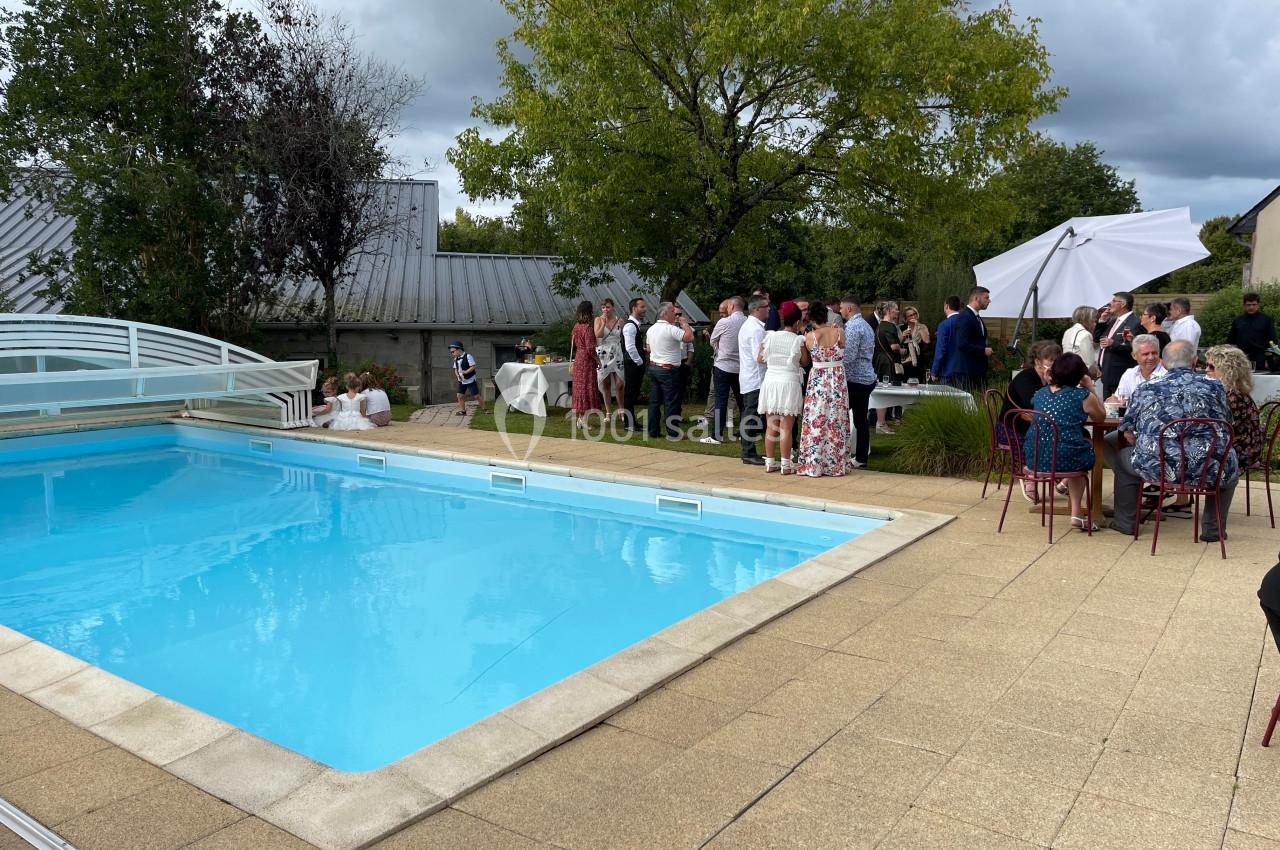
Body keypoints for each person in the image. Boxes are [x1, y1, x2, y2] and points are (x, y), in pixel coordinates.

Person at [1103, 340, 1238, 542]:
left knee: (1123, 457)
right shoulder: (1216, 387)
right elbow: (1227, 422)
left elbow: (1127, 430)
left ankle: (1126, 523)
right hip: (1209, 466)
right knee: (1228, 464)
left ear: (1163, 362)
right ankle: (1213, 529)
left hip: (1158, 467)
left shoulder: (1146, 388)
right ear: (1194, 361)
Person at [1023, 353, 1105, 530]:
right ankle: (1076, 513)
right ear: (1080, 375)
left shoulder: (1040, 393)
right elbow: (1101, 417)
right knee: (1081, 455)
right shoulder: (1083, 396)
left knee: (1076, 448)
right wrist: (1091, 387)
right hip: (1065, 458)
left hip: (1034, 458)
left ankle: (1070, 498)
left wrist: (1048, 381)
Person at [757, 302, 810, 474]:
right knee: (786, 427)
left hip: (771, 381)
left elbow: (760, 358)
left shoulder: (770, 336)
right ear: (797, 322)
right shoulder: (798, 340)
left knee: (771, 425)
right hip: (789, 382)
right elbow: (805, 362)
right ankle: (786, 464)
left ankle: (770, 462)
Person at [797, 303, 849, 477]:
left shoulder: (809, 337)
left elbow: (805, 361)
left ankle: (815, 463)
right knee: (836, 419)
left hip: (818, 380)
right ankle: (835, 464)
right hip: (837, 379)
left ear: (811, 318)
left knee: (816, 419)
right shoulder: (840, 332)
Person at [646, 301, 693, 439]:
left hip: (654, 367)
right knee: (671, 402)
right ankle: (673, 432)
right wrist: (685, 324)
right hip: (668, 369)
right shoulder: (671, 329)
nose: (676, 315)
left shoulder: (651, 329)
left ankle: (653, 431)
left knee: (654, 402)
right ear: (665, 314)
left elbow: (648, 348)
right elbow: (689, 337)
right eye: (673, 312)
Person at [704, 295, 746, 445]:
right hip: (741, 367)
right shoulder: (748, 322)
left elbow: (713, 340)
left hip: (723, 365)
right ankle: (744, 433)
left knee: (720, 400)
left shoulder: (724, 322)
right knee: (742, 402)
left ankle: (716, 435)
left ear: (732, 306)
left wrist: (721, 348)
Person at [841, 294, 875, 469]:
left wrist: (832, 360)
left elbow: (849, 356)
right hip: (866, 377)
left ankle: (841, 454)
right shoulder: (866, 325)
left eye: (841, 308)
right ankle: (861, 457)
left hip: (855, 379)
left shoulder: (853, 327)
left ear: (849, 309)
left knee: (842, 417)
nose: (840, 311)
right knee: (861, 419)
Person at [737, 294, 770, 464]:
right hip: (755, 378)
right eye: (766, 307)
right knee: (751, 415)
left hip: (750, 376)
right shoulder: (756, 329)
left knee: (749, 414)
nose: (769, 309)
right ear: (757, 309)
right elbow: (760, 357)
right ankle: (748, 452)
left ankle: (748, 450)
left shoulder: (749, 325)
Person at [1094, 291, 1143, 399]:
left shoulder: (1135, 323)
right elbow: (1097, 338)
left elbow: (1136, 348)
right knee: (1108, 406)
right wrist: (1102, 320)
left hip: (1119, 375)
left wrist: (1113, 344)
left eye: (1114, 301)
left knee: (1118, 406)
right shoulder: (1113, 321)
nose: (1110, 303)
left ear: (1123, 304)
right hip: (1106, 373)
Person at [1107, 334, 1167, 409]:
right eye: (1146, 354)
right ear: (1134, 355)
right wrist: (1113, 403)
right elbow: (1118, 401)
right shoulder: (1129, 374)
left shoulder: (1167, 374)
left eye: (1154, 353)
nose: (1151, 357)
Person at [951, 286, 993, 389]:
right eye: (986, 298)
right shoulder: (965, 316)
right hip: (966, 373)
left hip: (976, 371)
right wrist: (983, 350)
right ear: (976, 298)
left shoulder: (975, 316)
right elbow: (962, 344)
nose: (989, 301)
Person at [569, 301, 604, 426]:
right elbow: (590, 348)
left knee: (580, 388)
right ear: (589, 312)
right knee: (587, 388)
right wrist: (598, 360)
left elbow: (573, 343)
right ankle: (583, 420)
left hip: (578, 358)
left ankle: (580, 419)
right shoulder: (588, 328)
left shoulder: (576, 327)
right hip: (586, 361)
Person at [872, 300, 902, 434]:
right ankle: (881, 423)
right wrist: (903, 350)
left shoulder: (880, 325)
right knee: (885, 391)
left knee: (882, 389)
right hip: (887, 362)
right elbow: (894, 347)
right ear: (889, 311)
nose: (898, 311)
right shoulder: (890, 326)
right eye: (896, 309)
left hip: (879, 360)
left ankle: (881, 422)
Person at [1229, 292, 1279, 371]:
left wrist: (1269, 359)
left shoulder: (1266, 320)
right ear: (1244, 305)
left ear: (1258, 305)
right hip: (1242, 359)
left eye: (1254, 304)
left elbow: (1273, 341)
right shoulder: (1237, 321)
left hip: (1261, 359)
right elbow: (1231, 342)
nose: (1251, 307)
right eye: (1248, 305)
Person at [594, 298, 625, 418]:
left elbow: (623, 336)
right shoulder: (598, 319)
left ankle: (621, 410)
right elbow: (598, 335)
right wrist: (603, 324)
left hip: (617, 352)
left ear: (613, 307)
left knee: (620, 384)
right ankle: (608, 412)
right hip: (603, 353)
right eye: (603, 307)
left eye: (607, 307)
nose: (605, 310)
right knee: (606, 383)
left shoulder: (619, 320)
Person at [621, 298, 648, 430]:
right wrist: (640, 362)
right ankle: (629, 423)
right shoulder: (630, 326)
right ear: (634, 308)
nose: (645, 309)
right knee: (630, 393)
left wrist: (642, 350)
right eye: (642, 307)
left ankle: (631, 422)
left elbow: (634, 346)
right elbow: (630, 347)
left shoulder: (635, 325)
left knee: (633, 393)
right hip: (632, 364)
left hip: (634, 363)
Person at [931, 295, 963, 384]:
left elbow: (940, 351)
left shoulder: (944, 325)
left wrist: (934, 371)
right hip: (964, 371)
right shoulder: (967, 323)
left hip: (947, 372)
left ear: (946, 306)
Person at [1062, 305, 1099, 379]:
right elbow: (1089, 362)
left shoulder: (1068, 331)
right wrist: (1095, 373)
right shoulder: (1085, 334)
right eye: (1094, 321)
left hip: (1067, 370)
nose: (1095, 324)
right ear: (1087, 320)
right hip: (1081, 375)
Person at [900, 305, 931, 384]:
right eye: (910, 315)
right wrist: (903, 336)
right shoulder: (901, 328)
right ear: (906, 318)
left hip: (919, 361)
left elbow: (926, 341)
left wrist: (918, 326)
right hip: (905, 361)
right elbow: (897, 343)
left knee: (918, 384)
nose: (913, 316)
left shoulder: (922, 326)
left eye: (915, 314)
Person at [450, 342, 482, 416]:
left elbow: (473, 366)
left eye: (453, 351)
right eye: (451, 352)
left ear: (459, 349)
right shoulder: (456, 359)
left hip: (470, 379)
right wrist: (457, 375)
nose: (452, 353)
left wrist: (466, 372)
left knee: (476, 396)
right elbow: (455, 369)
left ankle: (485, 409)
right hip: (461, 380)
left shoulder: (468, 356)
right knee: (459, 395)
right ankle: (463, 411)